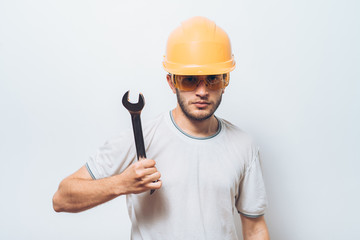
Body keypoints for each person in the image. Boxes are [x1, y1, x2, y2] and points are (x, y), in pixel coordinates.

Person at [53, 16, 270, 240]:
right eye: (189, 80)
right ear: (171, 81)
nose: (202, 91)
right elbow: (61, 198)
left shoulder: (244, 146)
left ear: (225, 82)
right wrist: (121, 183)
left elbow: (255, 228)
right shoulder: (140, 139)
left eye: (213, 79)